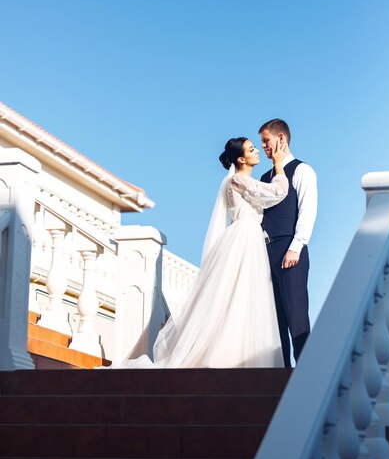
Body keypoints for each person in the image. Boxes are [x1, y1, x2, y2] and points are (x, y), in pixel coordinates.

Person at [115, 136, 289, 369]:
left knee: (246, 294)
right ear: (240, 159)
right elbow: (278, 193)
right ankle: (230, 354)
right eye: (251, 148)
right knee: (239, 294)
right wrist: (278, 164)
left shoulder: (241, 181)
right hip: (245, 239)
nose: (257, 151)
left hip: (250, 238)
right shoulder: (238, 180)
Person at [259, 119, 317, 368]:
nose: (263, 146)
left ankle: (306, 373)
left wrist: (296, 246)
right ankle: (280, 373)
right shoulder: (264, 176)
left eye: (266, 141)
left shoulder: (302, 170)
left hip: (289, 249)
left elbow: (308, 209)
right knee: (272, 320)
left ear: (281, 138)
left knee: (296, 315)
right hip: (264, 252)